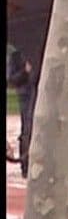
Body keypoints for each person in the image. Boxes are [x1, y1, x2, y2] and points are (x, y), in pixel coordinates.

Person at [6, 47, 36, 178]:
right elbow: (12, 79)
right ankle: (26, 166)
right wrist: (25, 71)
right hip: (26, 95)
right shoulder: (17, 55)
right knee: (28, 128)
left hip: (42, 93)